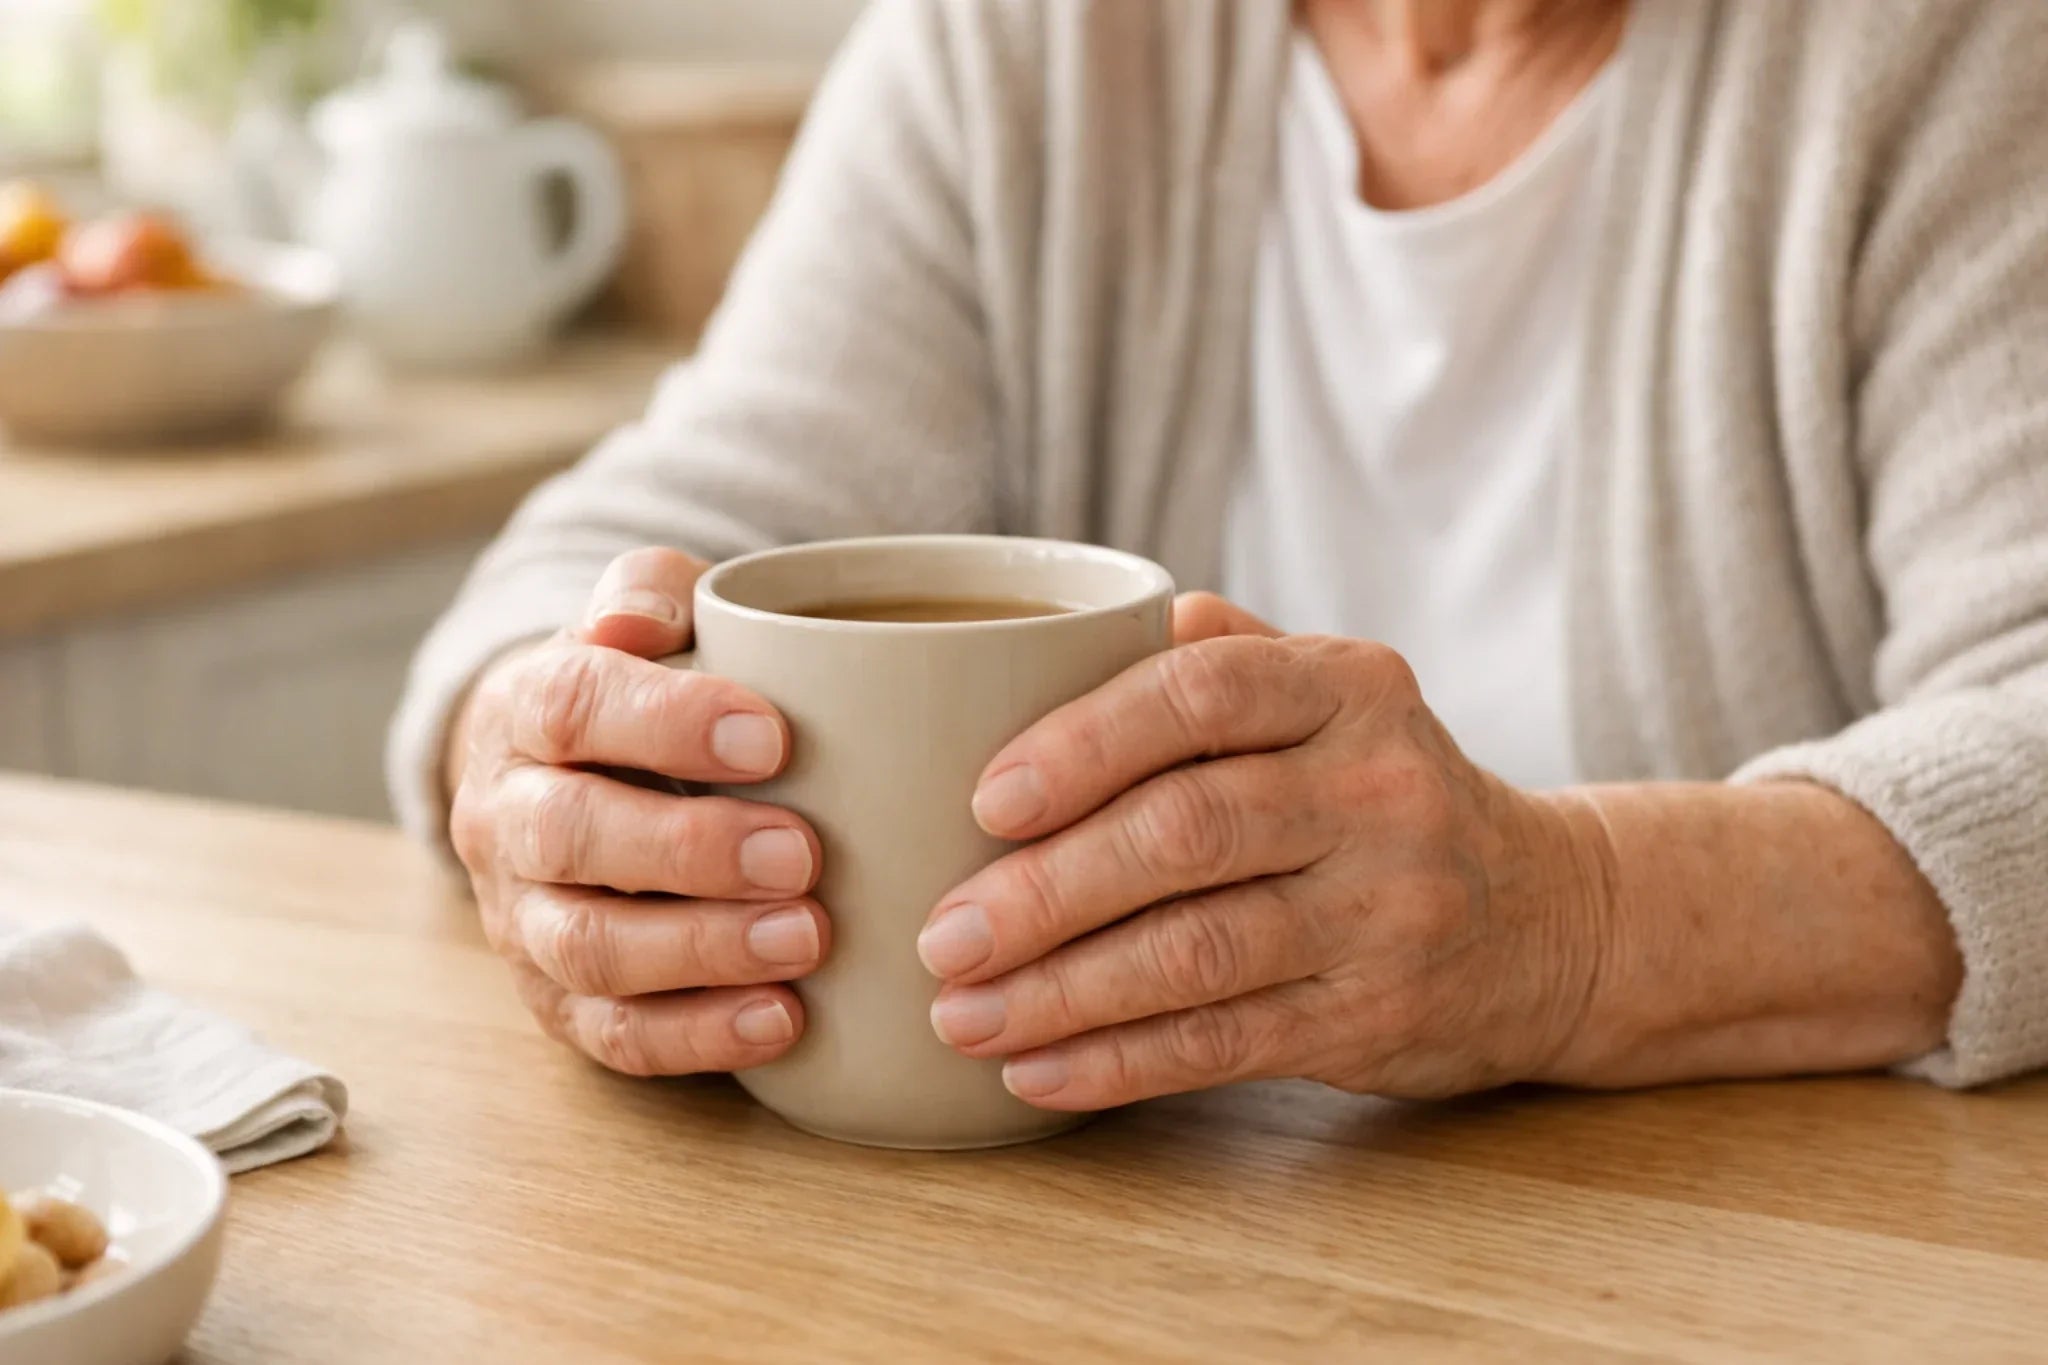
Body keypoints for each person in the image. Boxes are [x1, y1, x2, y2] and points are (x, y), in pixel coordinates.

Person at [388, 0, 2048, 1110]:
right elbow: (629, 542)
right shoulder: (1023, 41)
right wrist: (535, 755)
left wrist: (1576, 920)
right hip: (1128, 1265)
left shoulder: (1951, 52)